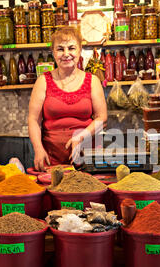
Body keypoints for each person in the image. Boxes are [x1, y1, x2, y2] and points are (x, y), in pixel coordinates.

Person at [28, 26, 107, 171]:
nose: (66, 54)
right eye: (60, 49)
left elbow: (102, 118)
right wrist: (38, 149)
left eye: (71, 48)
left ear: (79, 50)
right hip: (52, 158)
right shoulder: (43, 81)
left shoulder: (92, 81)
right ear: (53, 52)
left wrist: (81, 136)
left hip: (87, 156)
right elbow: (33, 120)